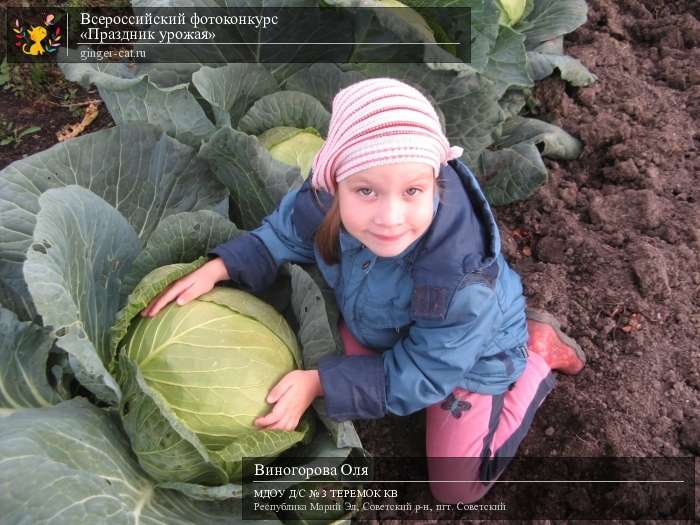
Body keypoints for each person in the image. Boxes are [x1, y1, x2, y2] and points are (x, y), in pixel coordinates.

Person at [140, 77, 586, 503]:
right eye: (366, 191)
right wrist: (224, 265)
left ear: (436, 184)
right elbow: (285, 233)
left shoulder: (461, 285)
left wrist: (318, 382)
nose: (390, 217)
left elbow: (428, 374)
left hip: (468, 360)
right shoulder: (324, 204)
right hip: (386, 326)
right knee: (344, 379)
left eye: (412, 191)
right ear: (335, 184)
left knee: (455, 487)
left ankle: (538, 357)